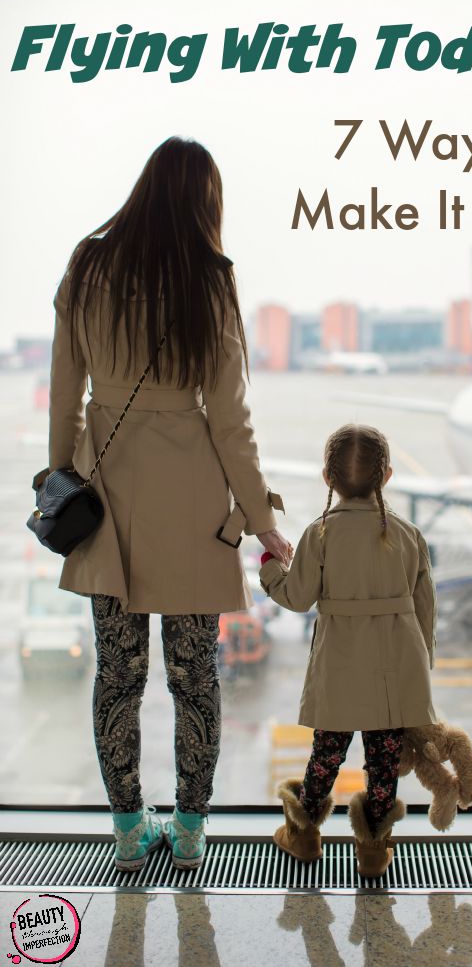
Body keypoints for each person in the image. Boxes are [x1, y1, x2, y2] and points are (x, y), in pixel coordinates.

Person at [36, 136, 292, 872]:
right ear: (205, 200)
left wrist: (62, 476)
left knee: (117, 675)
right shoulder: (209, 277)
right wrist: (265, 522)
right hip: (190, 502)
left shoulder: (87, 264)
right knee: (194, 675)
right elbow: (230, 420)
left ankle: (125, 832)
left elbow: (65, 390)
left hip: (107, 496)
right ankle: (186, 832)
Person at [259, 423, 437, 877]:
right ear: (388, 475)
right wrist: (423, 669)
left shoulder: (320, 534)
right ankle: (374, 850)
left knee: (326, 755)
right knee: (383, 763)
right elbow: (425, 611)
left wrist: (270, 569)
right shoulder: (409, 534)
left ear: (327, 478)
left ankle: (302, 836)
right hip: (396, 668)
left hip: (339, 668)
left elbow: (297, 598)